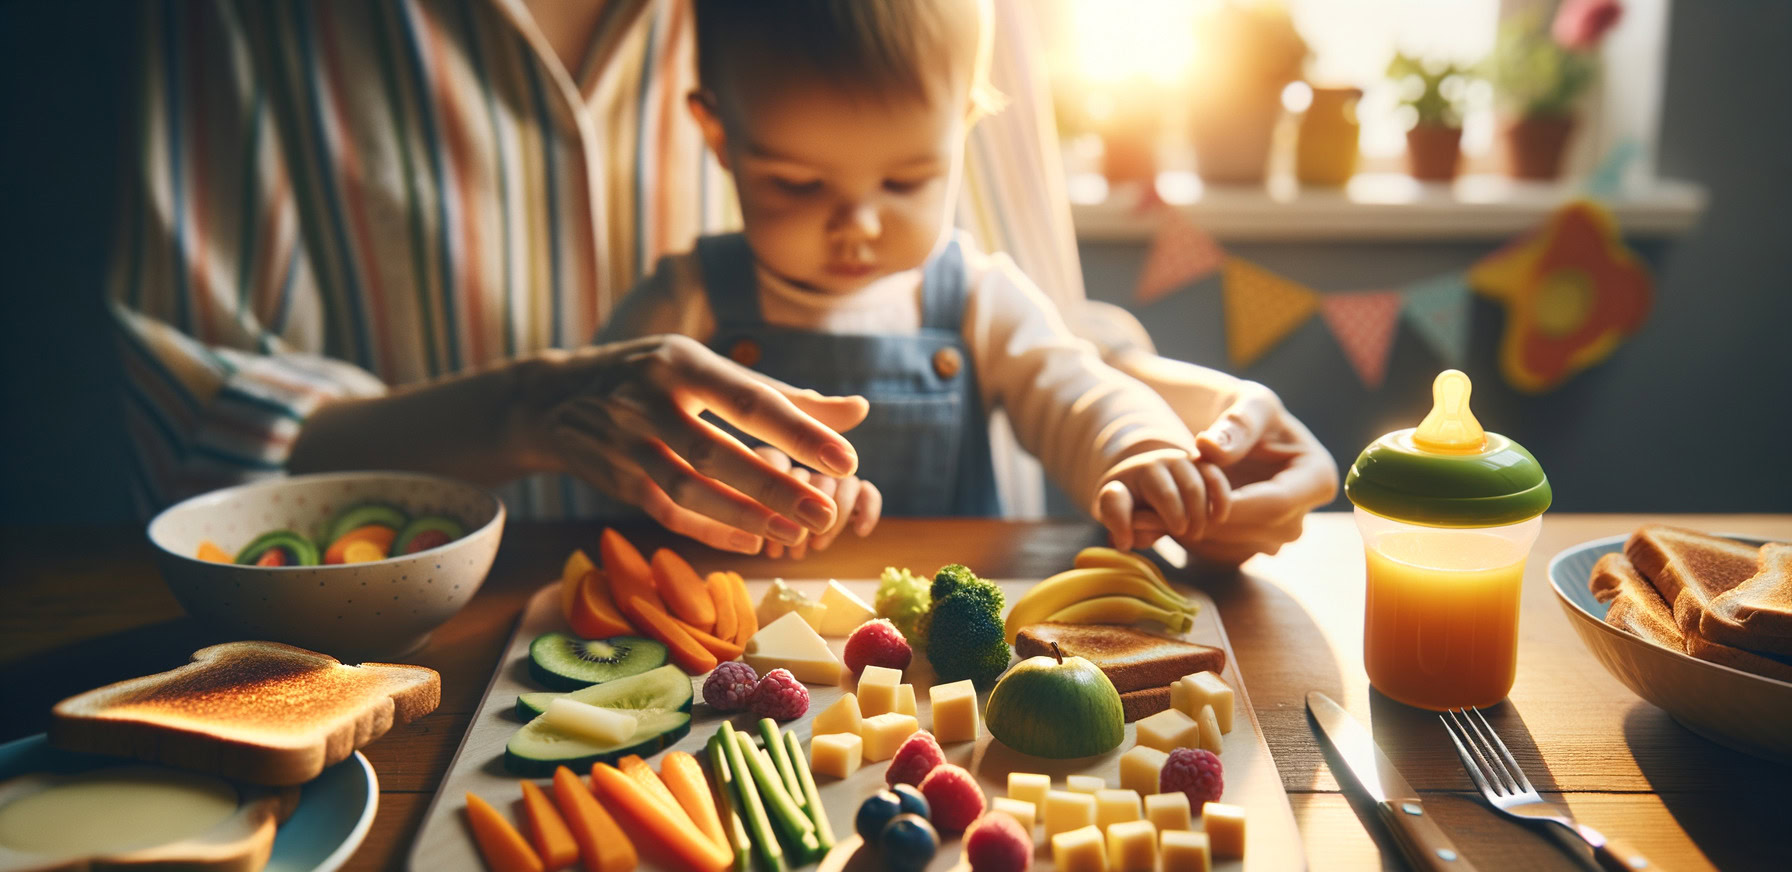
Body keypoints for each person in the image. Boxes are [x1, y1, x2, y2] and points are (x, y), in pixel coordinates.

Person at [110, 0, 1333, 561]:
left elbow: (1061, 366)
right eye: (796, 187)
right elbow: (199, 425)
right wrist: (549, 405)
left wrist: (1160, 445)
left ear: (961, 130)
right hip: (671, 627)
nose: (855, 228)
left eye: (908, 181)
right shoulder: (691, 291)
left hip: (941, 637)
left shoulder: (974, 274)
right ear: (718, 137)